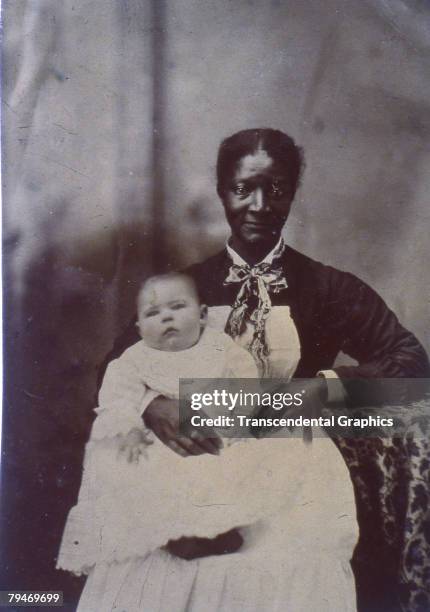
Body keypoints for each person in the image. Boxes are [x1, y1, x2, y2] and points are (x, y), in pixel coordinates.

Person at [74, 127, 429, 611]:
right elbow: (116, 368)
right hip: (188, 469)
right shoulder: (186, 289)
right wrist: (151, 404)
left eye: (276, 189)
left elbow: (411, 365)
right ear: (223, 191)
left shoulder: (328, 288)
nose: (260, 204)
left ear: (292, 194)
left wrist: (306, 399)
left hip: (292, 475)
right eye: (243, 189)